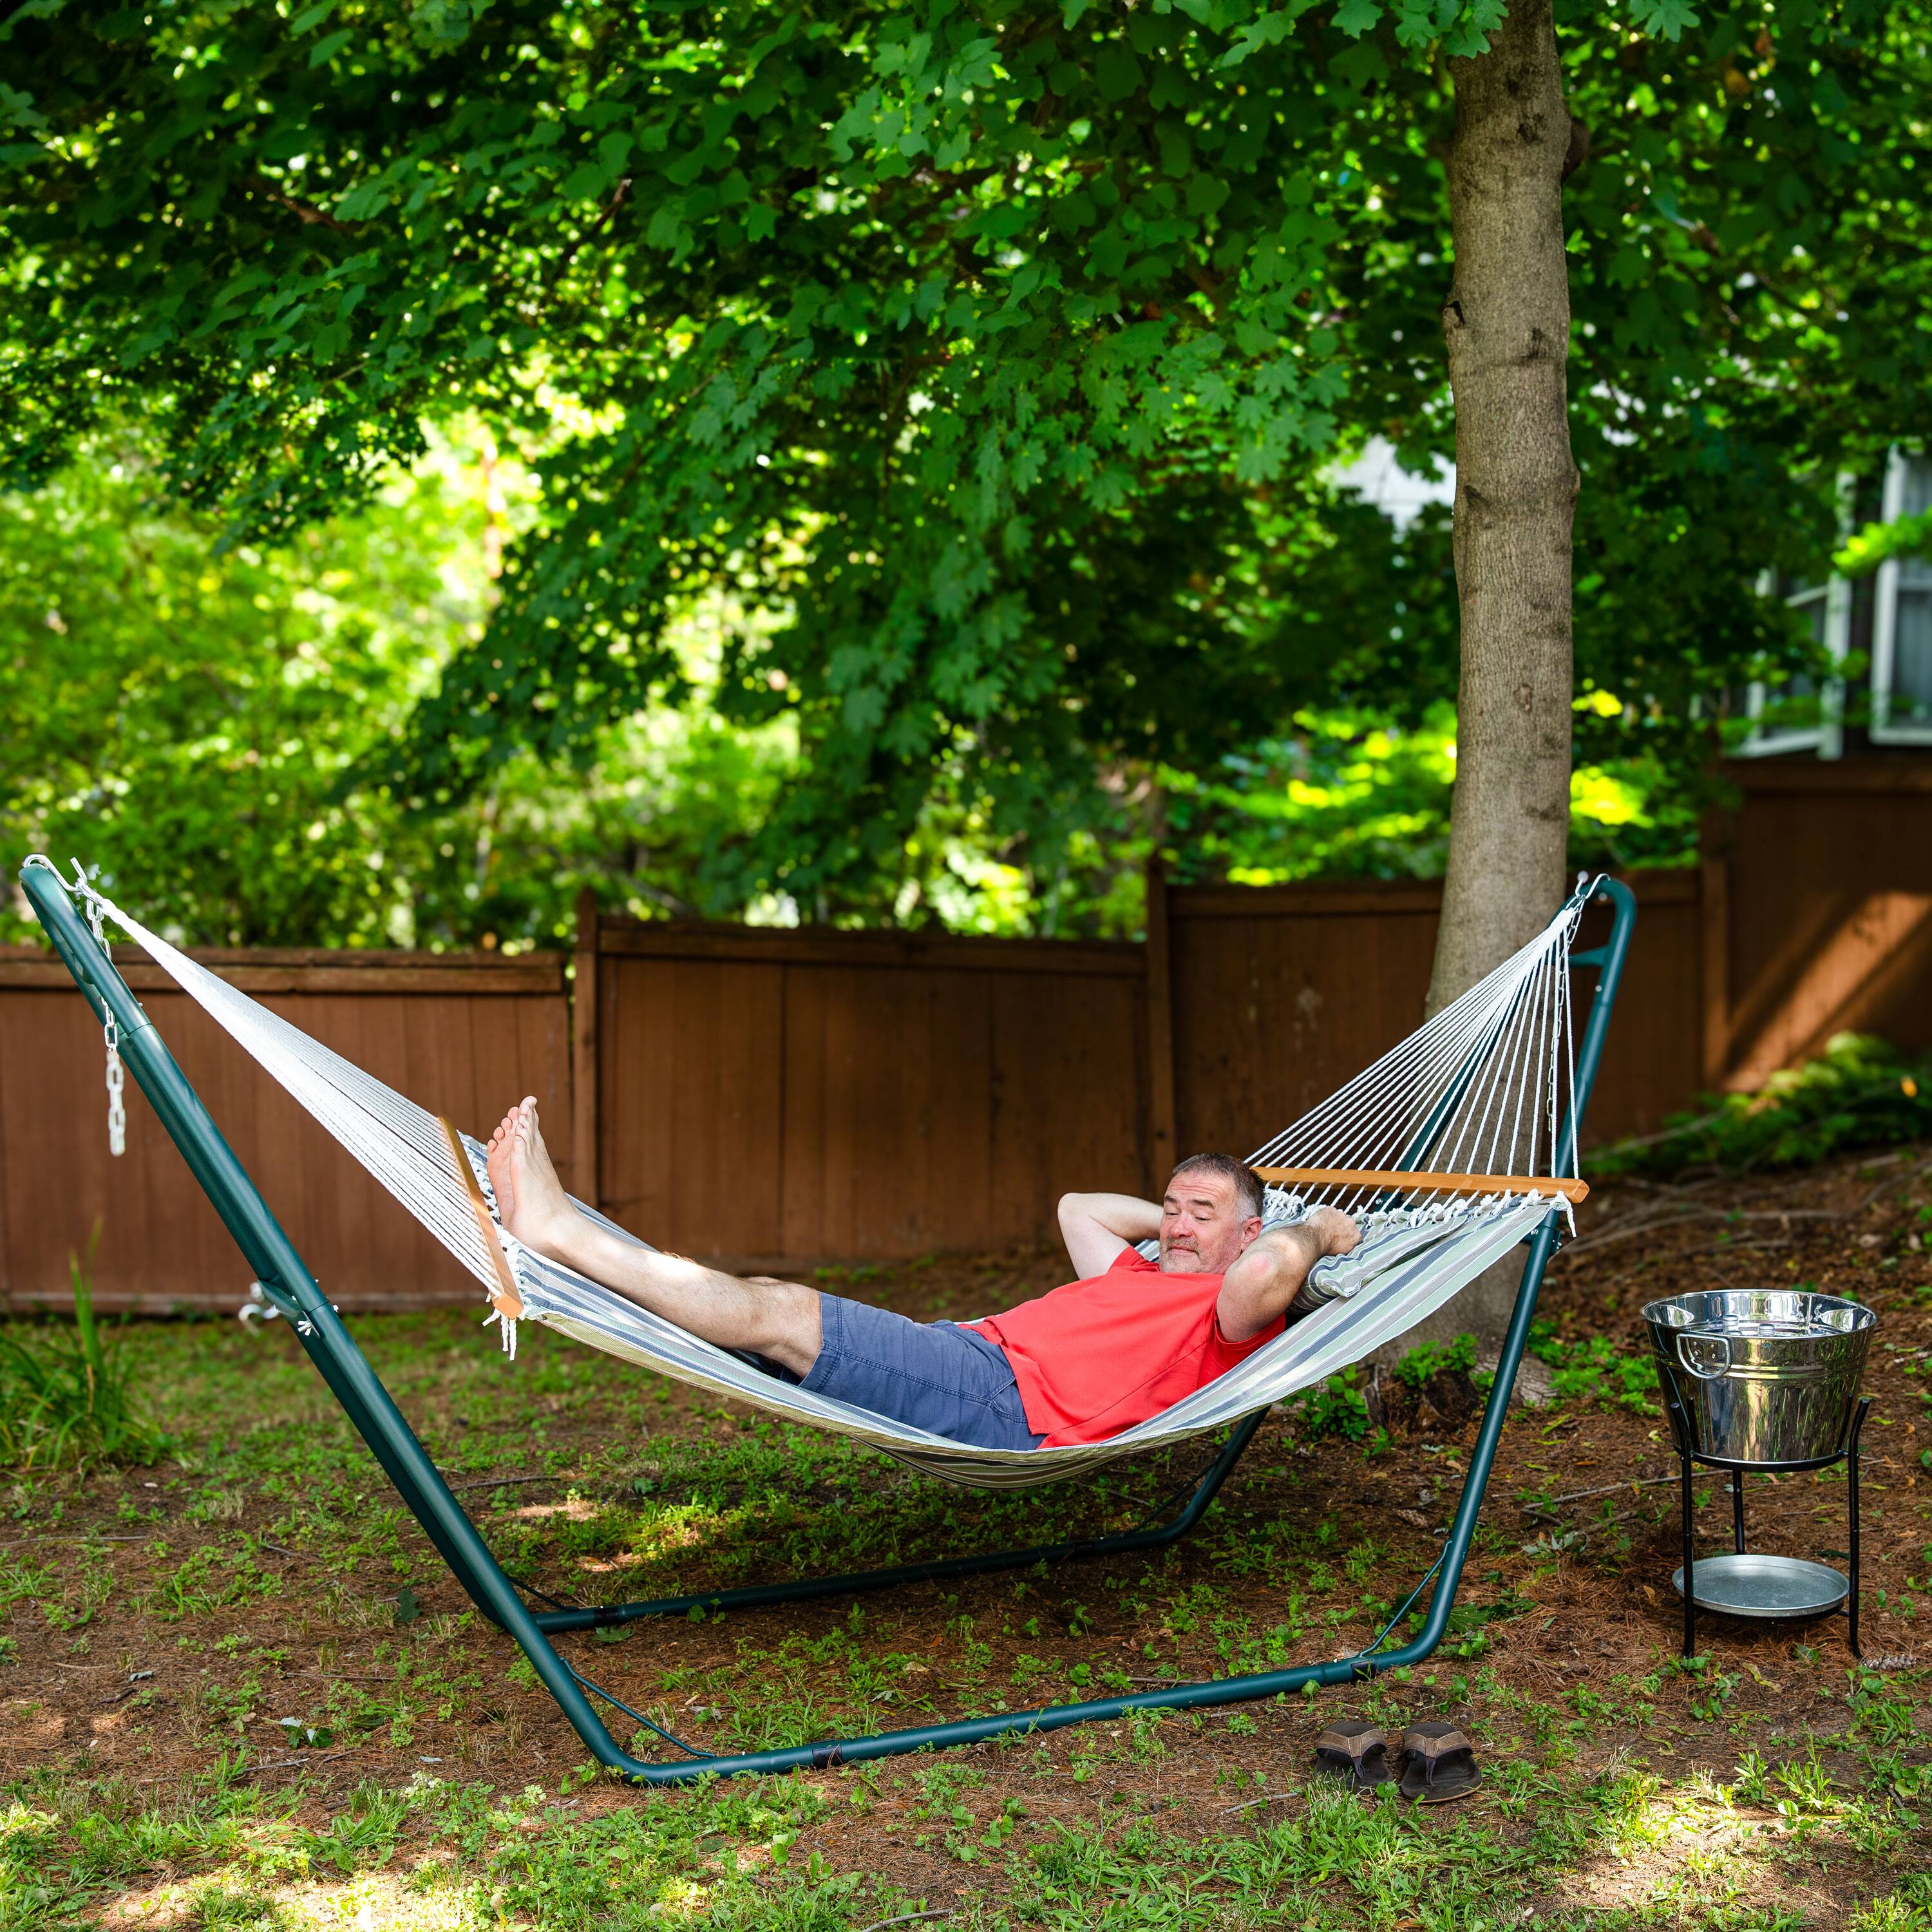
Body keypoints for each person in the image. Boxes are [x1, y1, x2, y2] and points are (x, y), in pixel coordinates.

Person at [485, 1099, 1358, 1450]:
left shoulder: (1232, 1303)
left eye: (1200, 1215)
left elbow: (1265, 1275)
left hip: (1005, 1402)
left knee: (787, 1314)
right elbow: (1076, 1209)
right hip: (972, 1356)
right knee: (768, 1324)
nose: (1173, 1224)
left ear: (1251, 1232)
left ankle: (561, 1231)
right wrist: (1173, 1225)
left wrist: (1312, 1228)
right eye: (1171, 1207)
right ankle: (577, 1255)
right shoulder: (1145, 1272)